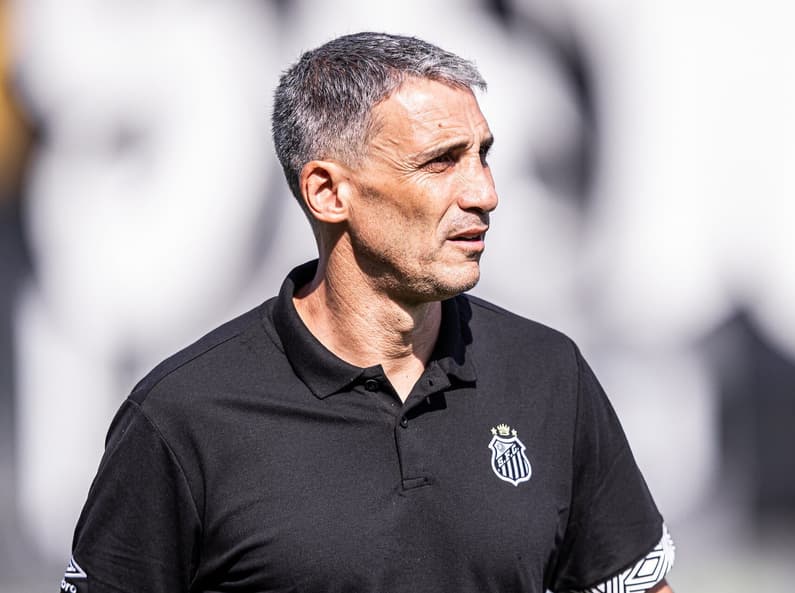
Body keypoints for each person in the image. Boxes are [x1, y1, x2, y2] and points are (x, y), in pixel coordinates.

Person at [59, 32, 675, 593]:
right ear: (328, 192)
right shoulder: (183, 416)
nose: (485, 192)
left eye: (481, 154)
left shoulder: (548, 375)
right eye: (441, 161)